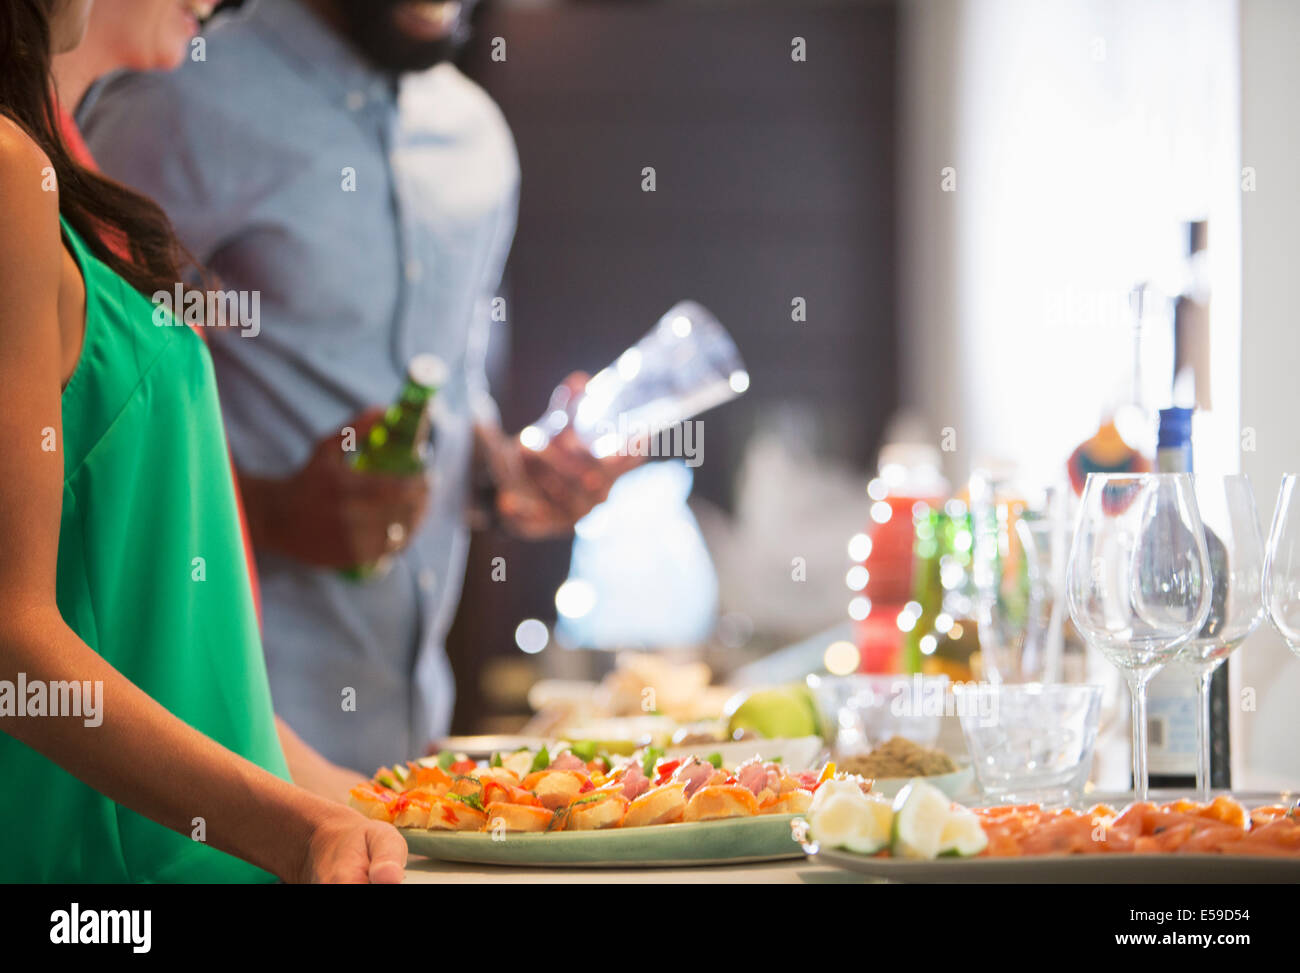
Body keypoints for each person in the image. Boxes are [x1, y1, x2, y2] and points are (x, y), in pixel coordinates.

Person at [82, 0, 638, 773]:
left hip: (405, 753)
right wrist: (270, 513)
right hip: (215, 762)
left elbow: (453, 388)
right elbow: (71, 428)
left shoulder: (478, 141)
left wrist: (504, 475)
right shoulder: (174, 97)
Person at [0, 0, 405, 882]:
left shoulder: (48, 170)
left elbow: (159, 617)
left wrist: (357, 802)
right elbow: (8, 636)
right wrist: (296, 828)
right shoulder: (6, 173)